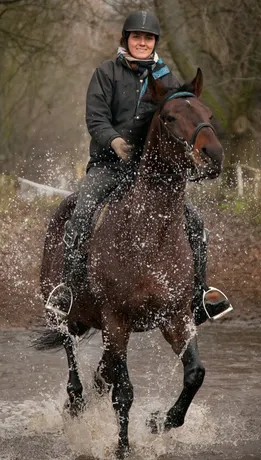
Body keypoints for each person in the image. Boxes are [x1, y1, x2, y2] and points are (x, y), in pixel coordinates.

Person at [45, 11, 232, 326]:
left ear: (154, 42)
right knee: (82, 210)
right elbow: (96, 119)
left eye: (148, 38)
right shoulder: (105, 74)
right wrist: (115, 141)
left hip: (148, 172)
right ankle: (68, 289)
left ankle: (201, 294)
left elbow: (180, 118)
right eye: (137, 37)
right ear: (126, 40)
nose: (142, 42)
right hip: (108, 164)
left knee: (196, 225)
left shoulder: (165, 78)